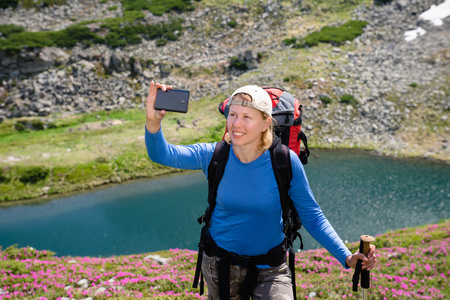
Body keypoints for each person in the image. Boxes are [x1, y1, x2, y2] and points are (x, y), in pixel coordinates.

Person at [145, 81, 377, 300]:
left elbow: (313, 217)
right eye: (232, 115)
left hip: (271, 269)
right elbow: (163, 154)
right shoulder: (214, 155)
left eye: (247, 117)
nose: (236, 124)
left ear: (266, 123)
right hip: (219, 265)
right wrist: (153, 122)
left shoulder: (285, 161)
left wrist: (346, 257)